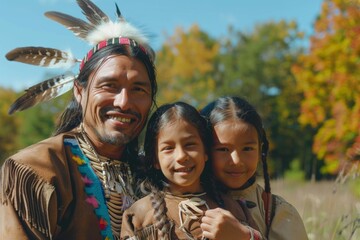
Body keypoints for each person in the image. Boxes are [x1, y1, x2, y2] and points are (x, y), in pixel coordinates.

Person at [0, 1, 157, 239]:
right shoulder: (37, 171)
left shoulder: (158, 175)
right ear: (79, 92)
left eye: (138, 89)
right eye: (109, 86)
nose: (124, 102)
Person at [121, 102, 262, 240]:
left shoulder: (234, 209)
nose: (181, 156)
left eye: (190, 144)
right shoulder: (139, 216)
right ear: (155, 160)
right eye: (168, 148)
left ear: (205, 152)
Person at [200, 96, 309, 239]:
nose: (237, 161)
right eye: (223, 149)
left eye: (247, 148)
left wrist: (245, 237)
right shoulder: (183, 204)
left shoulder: (276, 212)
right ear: (204, 150)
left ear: (260, 150)